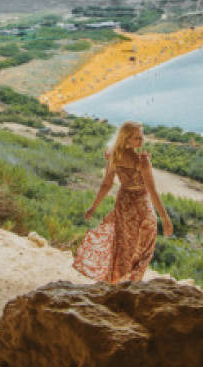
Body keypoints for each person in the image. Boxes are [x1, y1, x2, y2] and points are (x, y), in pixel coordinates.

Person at [73, 121, 173, 283]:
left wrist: (94, 206)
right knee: (145, 245)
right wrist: (166, 219)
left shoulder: (114, 155)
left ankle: (117, 281)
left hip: (123, 202)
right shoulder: (142, 161)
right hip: (140, 203)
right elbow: (153, 191)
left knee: (123, 245)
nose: (141, 141)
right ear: (126, 139)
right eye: (137, 138)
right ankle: (132, 281)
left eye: (142, 137)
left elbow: (107, 184)